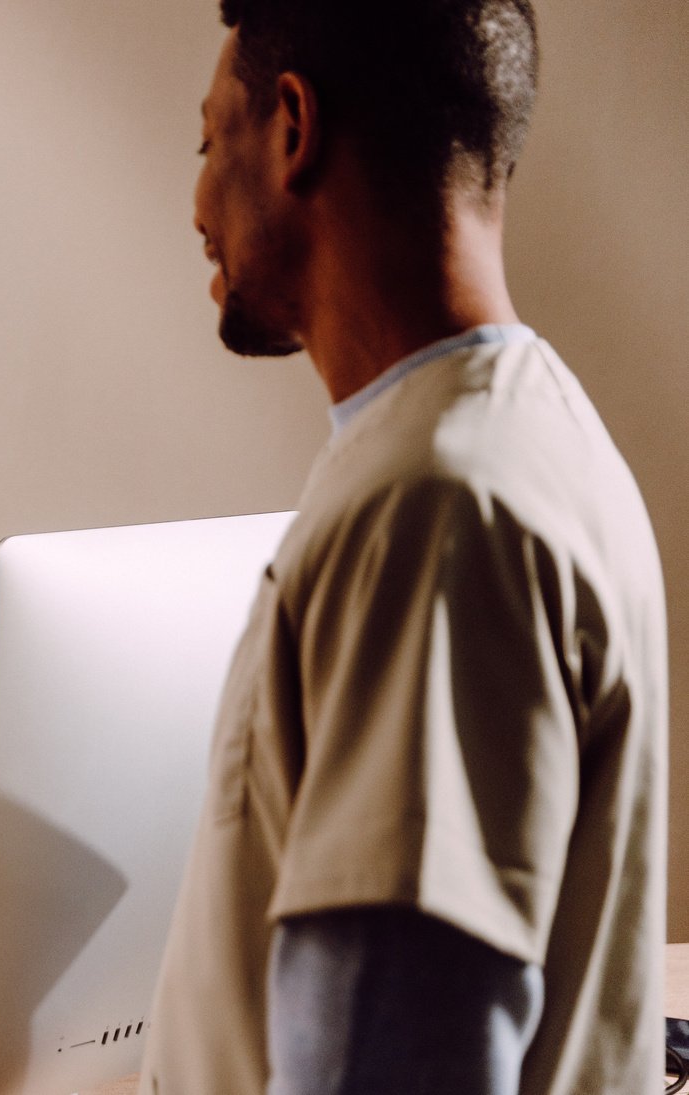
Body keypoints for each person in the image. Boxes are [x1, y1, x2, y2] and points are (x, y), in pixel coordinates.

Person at [141, 3, 665, 1093]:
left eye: (207, 143)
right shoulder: (514, 438)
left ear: (293, 127)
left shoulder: (434, 511)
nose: (194, 204)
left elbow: (392, 1057)